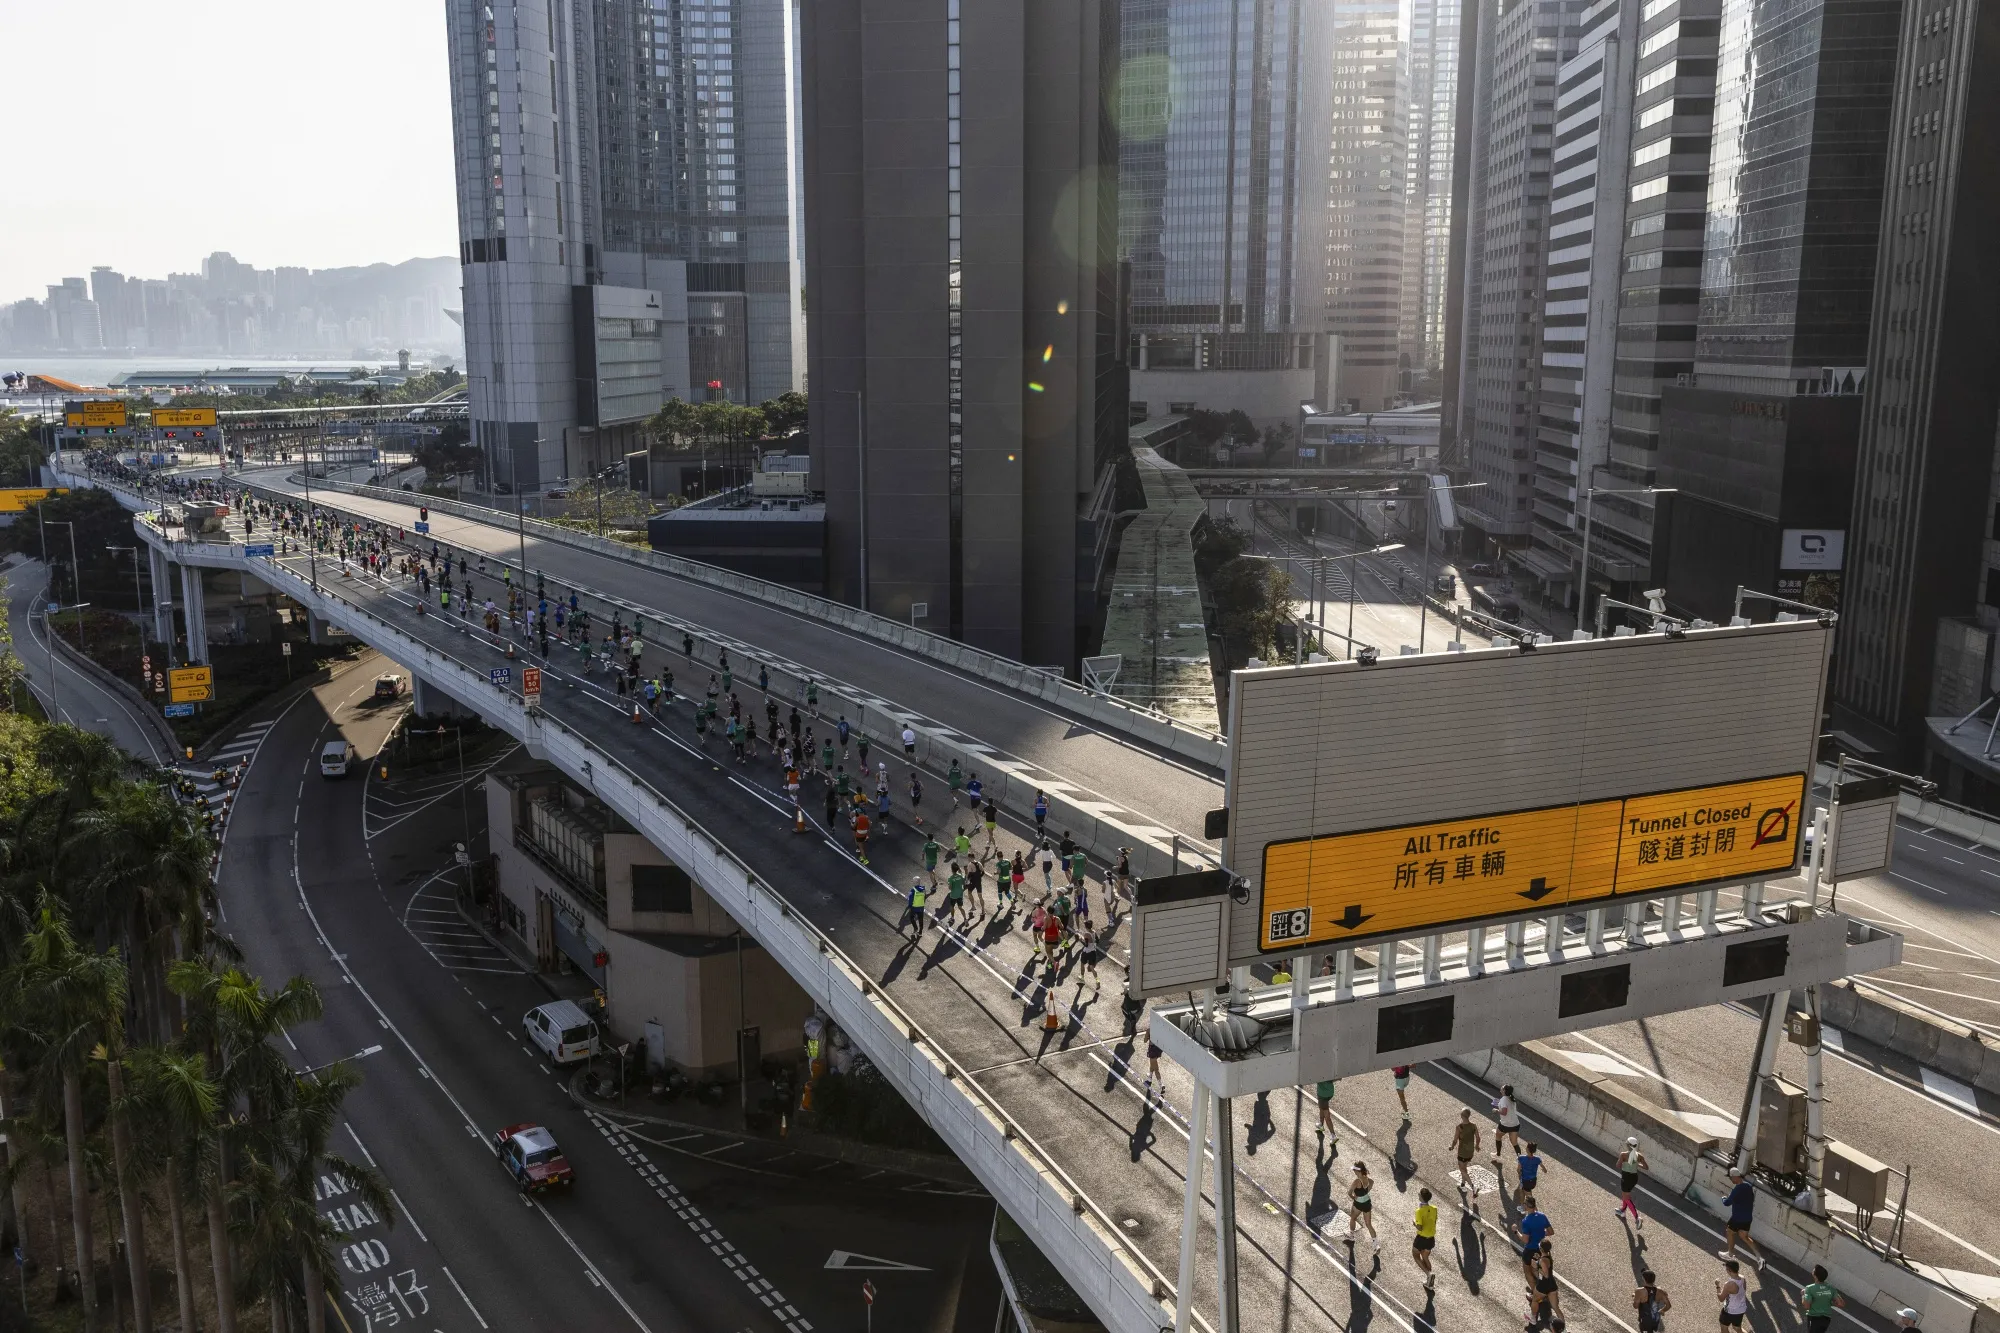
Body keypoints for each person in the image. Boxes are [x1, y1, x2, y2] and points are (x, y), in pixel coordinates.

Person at [1718, 1169, 1763, 1268]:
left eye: (1730, 1177)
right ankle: (1760, 1258)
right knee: (1744, 1237)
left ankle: (1730, 1254)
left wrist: (1723, 1198)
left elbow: (1726, 1203)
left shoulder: (1737, 1189)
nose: (1730, 1179)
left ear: (1735, 1177)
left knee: (1729, 1231)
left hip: (1737, 1218)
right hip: (1747, 1218)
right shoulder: (1748, 1186)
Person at [1514, 1196, 1552, 1278]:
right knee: (1538, 1269)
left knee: (1528, 1272)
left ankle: (1535, 1289)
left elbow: (1525, 1240)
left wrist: (1516, 1231)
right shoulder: (1542, 1216)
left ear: (1526, 1206)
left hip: (1530, 1250)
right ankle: (1539, 1286)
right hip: (1541, 1249)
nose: (1523, 1205)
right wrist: (1541, 1233)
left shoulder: (1526, 1221)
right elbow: (1551, 1232)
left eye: (1524, 1203)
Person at [1615, 1137, 1647, 1230]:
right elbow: (1646, 1167)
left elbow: (1618, 1165)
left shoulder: (1623, 1154)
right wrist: (1637, 1164)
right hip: (1634, 1178)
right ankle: (1622, 1211)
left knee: (1626, 1197)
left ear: (1628, 1145)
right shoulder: (1639, 1155)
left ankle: (1637, 1218)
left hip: (1626, 1177)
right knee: (1625, 1194)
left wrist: (1623, 1161)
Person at [1799, 1265, 1844, 1333]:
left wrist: (1803, 1295)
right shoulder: (1831, 1288)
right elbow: (1841, 1304)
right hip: (1826, 1320)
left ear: (1815, 1275)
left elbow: (1806, 1306)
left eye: (1814, 1270)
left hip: (1814, 1318)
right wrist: (1831, 1303)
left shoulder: (1809, 1288)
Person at [1347, 1161, 1379, 1252]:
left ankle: (1352, 1236)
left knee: (1353, 1218)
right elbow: (1370, 1186)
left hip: (1358, 1204)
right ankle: (1376, 1245)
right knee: (1369, 1224)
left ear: (1358, 1171)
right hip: (1367, 1203)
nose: (1354, 1172)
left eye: (1354, 1170)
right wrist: (1363, 1194)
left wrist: (1354, 1197)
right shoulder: (1369, 1180)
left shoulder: (1357, 1181)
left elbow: (1349, 1193)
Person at [1411, 1188, 1438, 1290]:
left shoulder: (1419, 1211)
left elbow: (1420, 1227)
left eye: (1419, 1194)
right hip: (1431, 1239)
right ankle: (1429, 1283)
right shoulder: (1434, 1208)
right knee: (1425, 1258)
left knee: (1416, 1255)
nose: (1418, 1194)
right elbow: (1434, 1221)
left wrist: (1414, 1222)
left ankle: (1428, 1274)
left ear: (1421, 1197)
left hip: (1421, 1239)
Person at [1530, 1241, 1562, 1327]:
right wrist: (1538, 1259)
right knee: (1556, 1307)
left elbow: (1546, 1274)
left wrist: (1536, 1266)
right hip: (1552, 1285)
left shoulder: (1542, 1260)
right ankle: (1563, 1328)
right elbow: (1546, 1265)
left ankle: (1533, 1319)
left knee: (1535, 1300)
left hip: (1543, 1285)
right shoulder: (1548, 1257)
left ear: (1541, 1249)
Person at [1451, 1108, 1482, 1194]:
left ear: (1462, 1116)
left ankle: (1473, 1187)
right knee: (1464, 1168)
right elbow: (1478, 1138)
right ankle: (1462, 1185)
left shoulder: (1459, 1127)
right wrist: (1477, 1145)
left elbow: (1455, 1140)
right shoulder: (1473, 1126)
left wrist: (1452, 1147)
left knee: (1462, 1170)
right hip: (1470, 1151)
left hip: (1462, 1152)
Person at [1715, 1259, 1749, 1329]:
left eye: (1726, 1269)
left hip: (1730, 1310)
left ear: (1729, 1270)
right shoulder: (1742, 1278)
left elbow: (1721, 1298)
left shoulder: (1729, 1285)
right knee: (1737, 1328)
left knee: (1724, 1327)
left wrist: (1717, 1286)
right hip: (1741, 1309)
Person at [1493, 1084, 1523, 1161]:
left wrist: (1496, 1110)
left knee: (1498, 1136)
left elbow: (1504, 1112)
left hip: (1505, 1124)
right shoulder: (1511, 1098)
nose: (1501, 1087)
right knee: (1514, 1143)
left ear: (1504, 1091)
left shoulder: (1503, 1100)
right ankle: (1520, 1160)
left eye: (1502, 1087)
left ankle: (1498, 1154)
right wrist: (1499, 1104)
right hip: (1515, 1124)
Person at [1516, 1140, 1545, 1207]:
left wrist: (1520, 1175)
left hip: (1525, 1180)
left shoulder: (1521, 1158)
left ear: (1527, 1149)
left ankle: (1527, 1209)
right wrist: (1543, 1170)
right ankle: (1522, 1206)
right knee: (1522, 1190)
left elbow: (1518, 1170)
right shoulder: (1537, 1159)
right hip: (1533, 1181)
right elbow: (1545, 1169)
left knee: (1529, 1197)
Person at [1315, 1079, 1338, 1152]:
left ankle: (1333, 1135)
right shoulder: (1328, 1068)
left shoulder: (1317, 1070)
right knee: (1321, 1108)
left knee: (1327, 1116)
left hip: (1322, 1094)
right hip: (1330, 1092)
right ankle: (1321, 1125)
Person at [1141, 1030, 1163, 1103]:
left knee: (1156, 1068)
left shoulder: (1149, 1030)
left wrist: (1147, 1035)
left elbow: (1144, 1040)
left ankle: (1161, 1085)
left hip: (1152, 1050)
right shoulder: (1159, 1027)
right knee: (1152, 1065)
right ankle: (1150, 1078)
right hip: (1159, 1050)